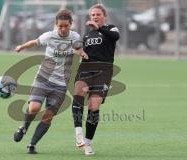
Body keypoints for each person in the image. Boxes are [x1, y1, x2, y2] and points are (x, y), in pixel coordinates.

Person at [13, 9, 88, 154]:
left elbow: (78, 49)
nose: (63, 29)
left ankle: (32, 144)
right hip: (43, 78)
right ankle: (23, 127)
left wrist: (82, 53)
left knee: (48, 116)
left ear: (71, 24)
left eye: (66, 26)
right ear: (56, 25)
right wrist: (21, 47)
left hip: (60, 84)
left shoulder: (75, 37)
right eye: (60, 26)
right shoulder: (50, 36)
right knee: (34, 108)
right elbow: (34, 42)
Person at [71, 4, 120, 155]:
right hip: (86, 69)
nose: (95, 17)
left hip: (104, 70)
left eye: (98, 14)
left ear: (104, 16)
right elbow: (78, 46)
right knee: (78, 95)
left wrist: (98, 28)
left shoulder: (111, 29)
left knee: (94, 106)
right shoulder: (87, 35)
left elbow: (115, 37)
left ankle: (88, 143)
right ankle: (78, 132)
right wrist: (79, 50)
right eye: (92, 15)